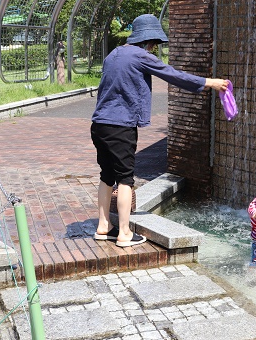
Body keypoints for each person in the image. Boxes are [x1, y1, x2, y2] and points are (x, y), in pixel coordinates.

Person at [91, 14, 229, 247]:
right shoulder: (140, 56)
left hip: (99, 125)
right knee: (125, 180)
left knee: (107, 175)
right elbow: (174, 75)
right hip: (120, 126)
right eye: (154, 43)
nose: (154, 48)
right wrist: (210, 83)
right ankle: (124, 234)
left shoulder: (113, 54)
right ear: (147, 39)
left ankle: (103, 227)